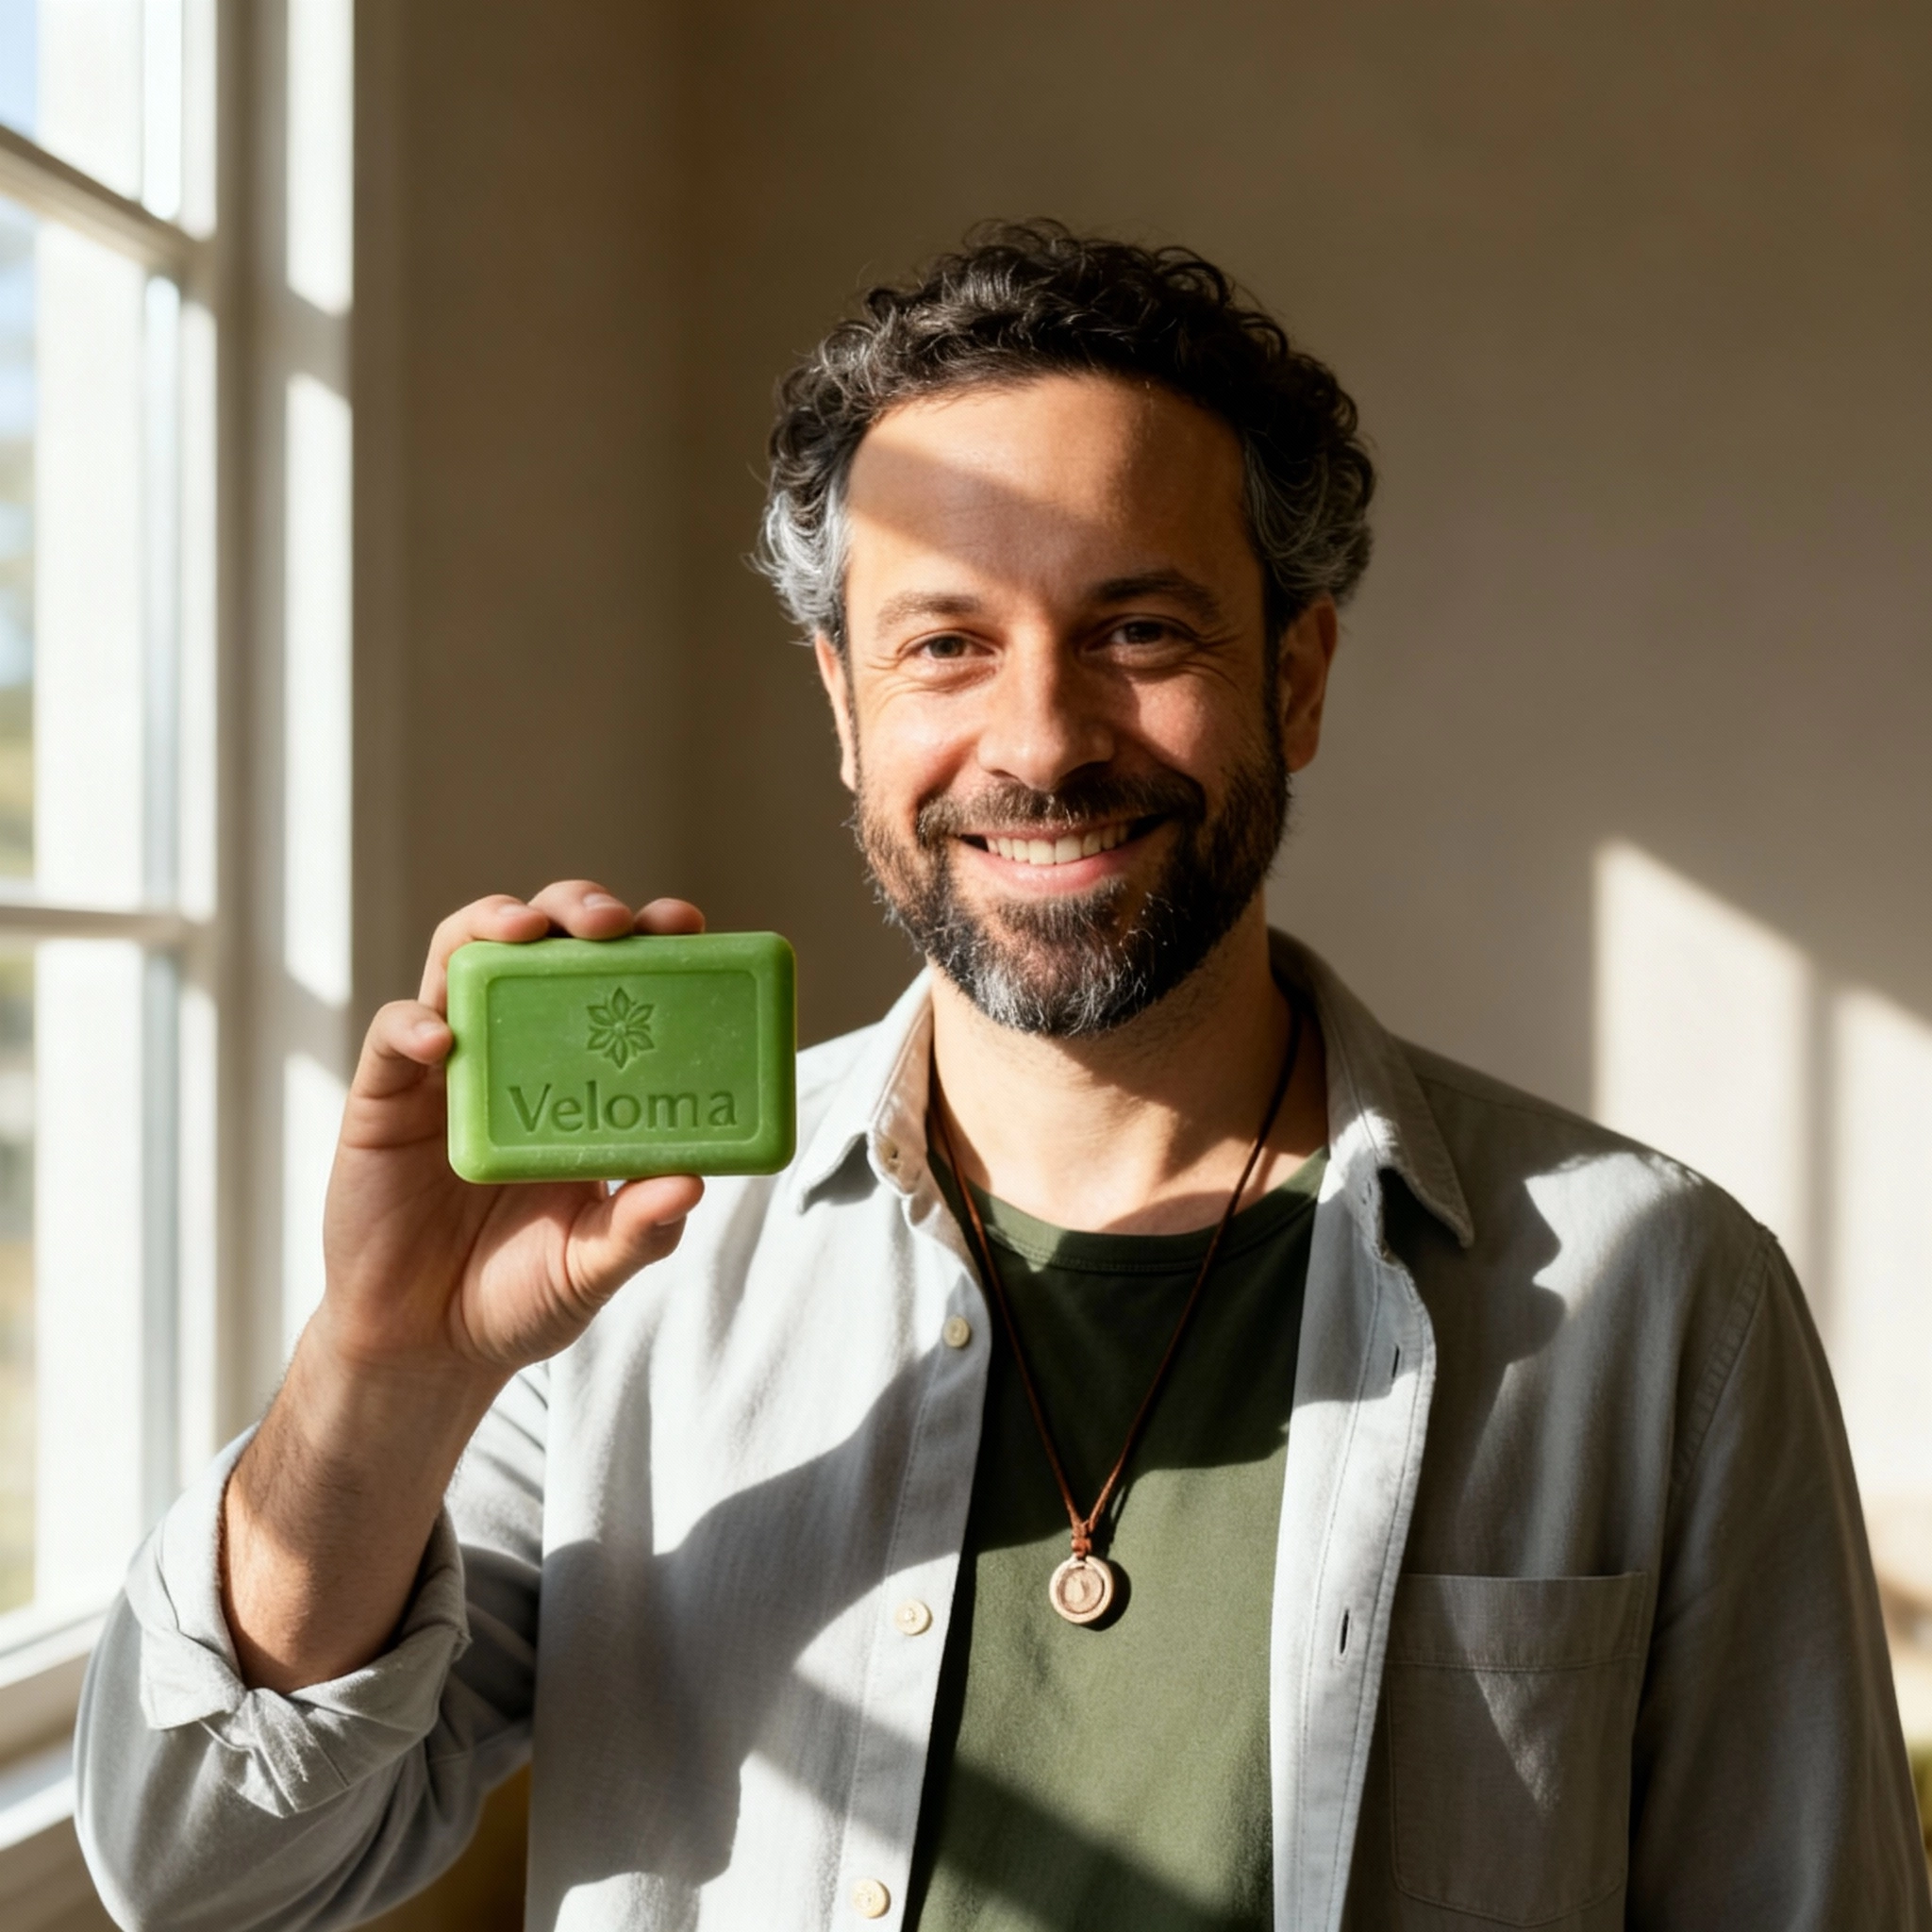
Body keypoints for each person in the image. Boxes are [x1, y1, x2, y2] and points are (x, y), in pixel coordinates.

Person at [75, 224, 1929, 1931]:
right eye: (945, 643)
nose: (1039, 741)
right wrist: (388, 1366)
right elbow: (204, 1866)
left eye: (1140, 630)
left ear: (1296, 677)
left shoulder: (1659, 1298)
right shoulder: (622, 1289)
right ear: (845, 706)